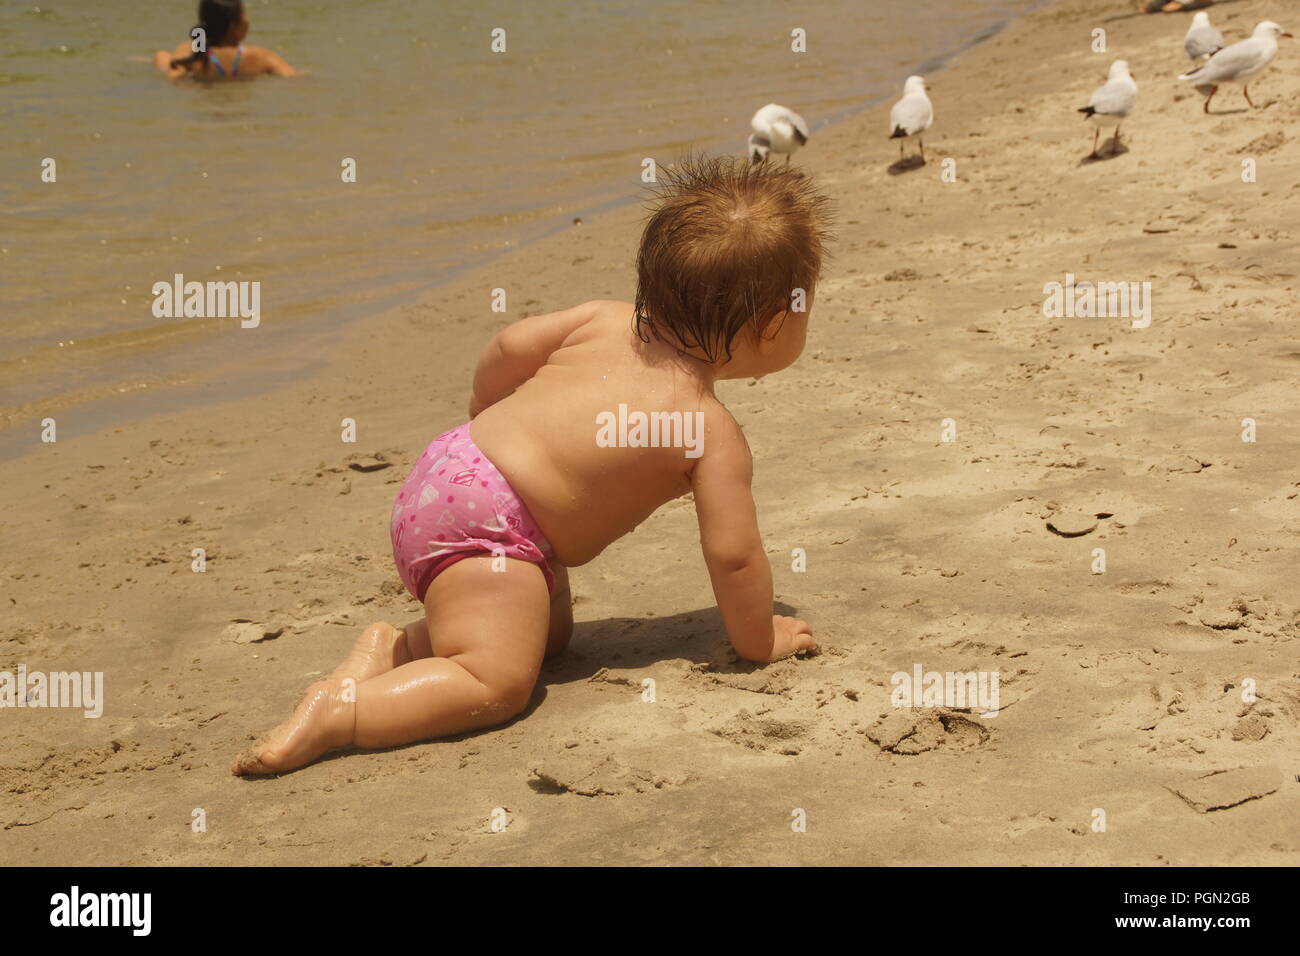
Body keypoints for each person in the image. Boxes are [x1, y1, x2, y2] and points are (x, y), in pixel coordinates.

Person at [232, 155, 832, 775]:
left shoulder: (602, 320)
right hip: (492, 528)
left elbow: (507, 346)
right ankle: (342, 713)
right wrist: (759, 638)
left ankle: (397, 647)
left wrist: (483, 419)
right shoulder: (709, 431)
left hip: (452, 470)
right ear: (772, 324)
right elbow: (733, 555)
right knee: (495, 683)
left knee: (548, 639)